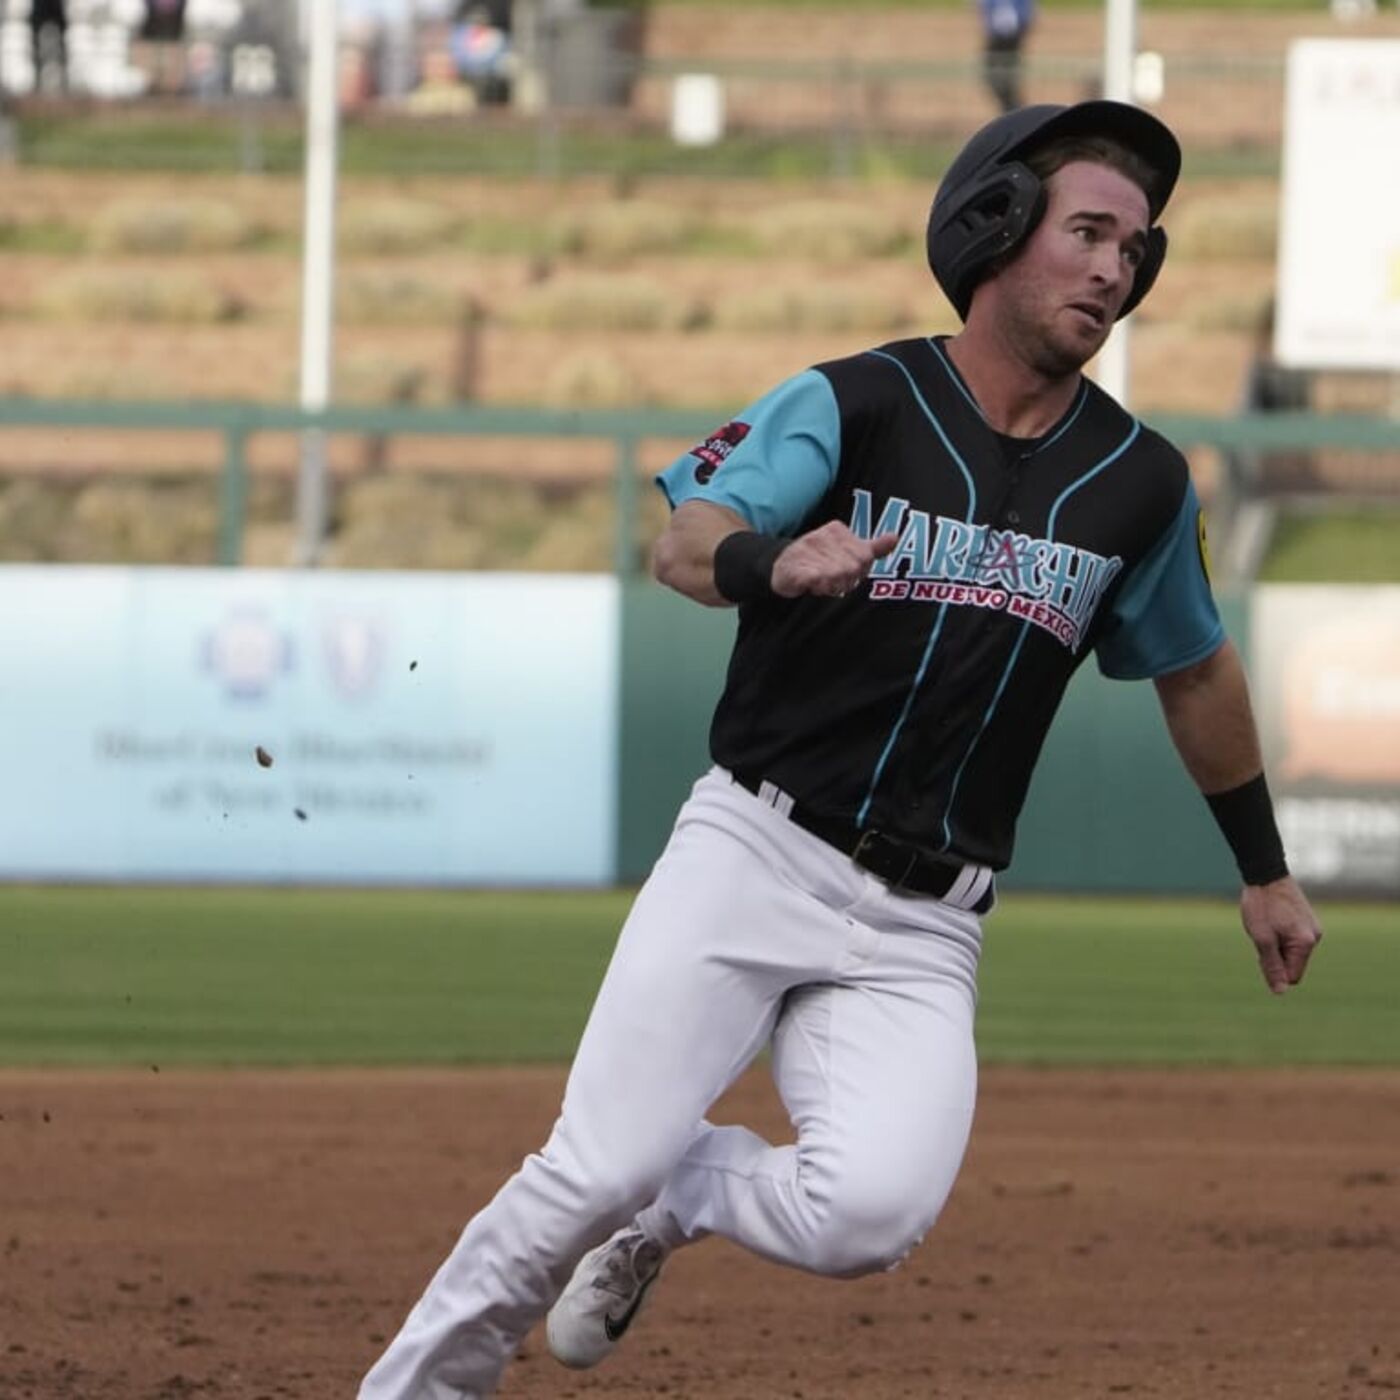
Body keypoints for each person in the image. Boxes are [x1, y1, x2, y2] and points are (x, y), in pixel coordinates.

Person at [357, 100, 1323, 1400]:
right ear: (995, 230)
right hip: (757, 848)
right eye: (1088, 231)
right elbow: (681, 543)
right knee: (587, 1163)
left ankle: (679, 1192)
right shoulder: (859, 401)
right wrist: (770, 557)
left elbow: (1196, 667)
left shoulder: (1138, 480)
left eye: (1136, 248)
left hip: (931, 920)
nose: (1116, 267)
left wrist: (1261, 868)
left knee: (867, 1215)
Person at [978, 0, 1034, 113]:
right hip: (997, 39)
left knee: (1007, 77)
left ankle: (1014, 109)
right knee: (995, 77)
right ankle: (1011, 108)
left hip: (1012, 39)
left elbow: (1027, 16)